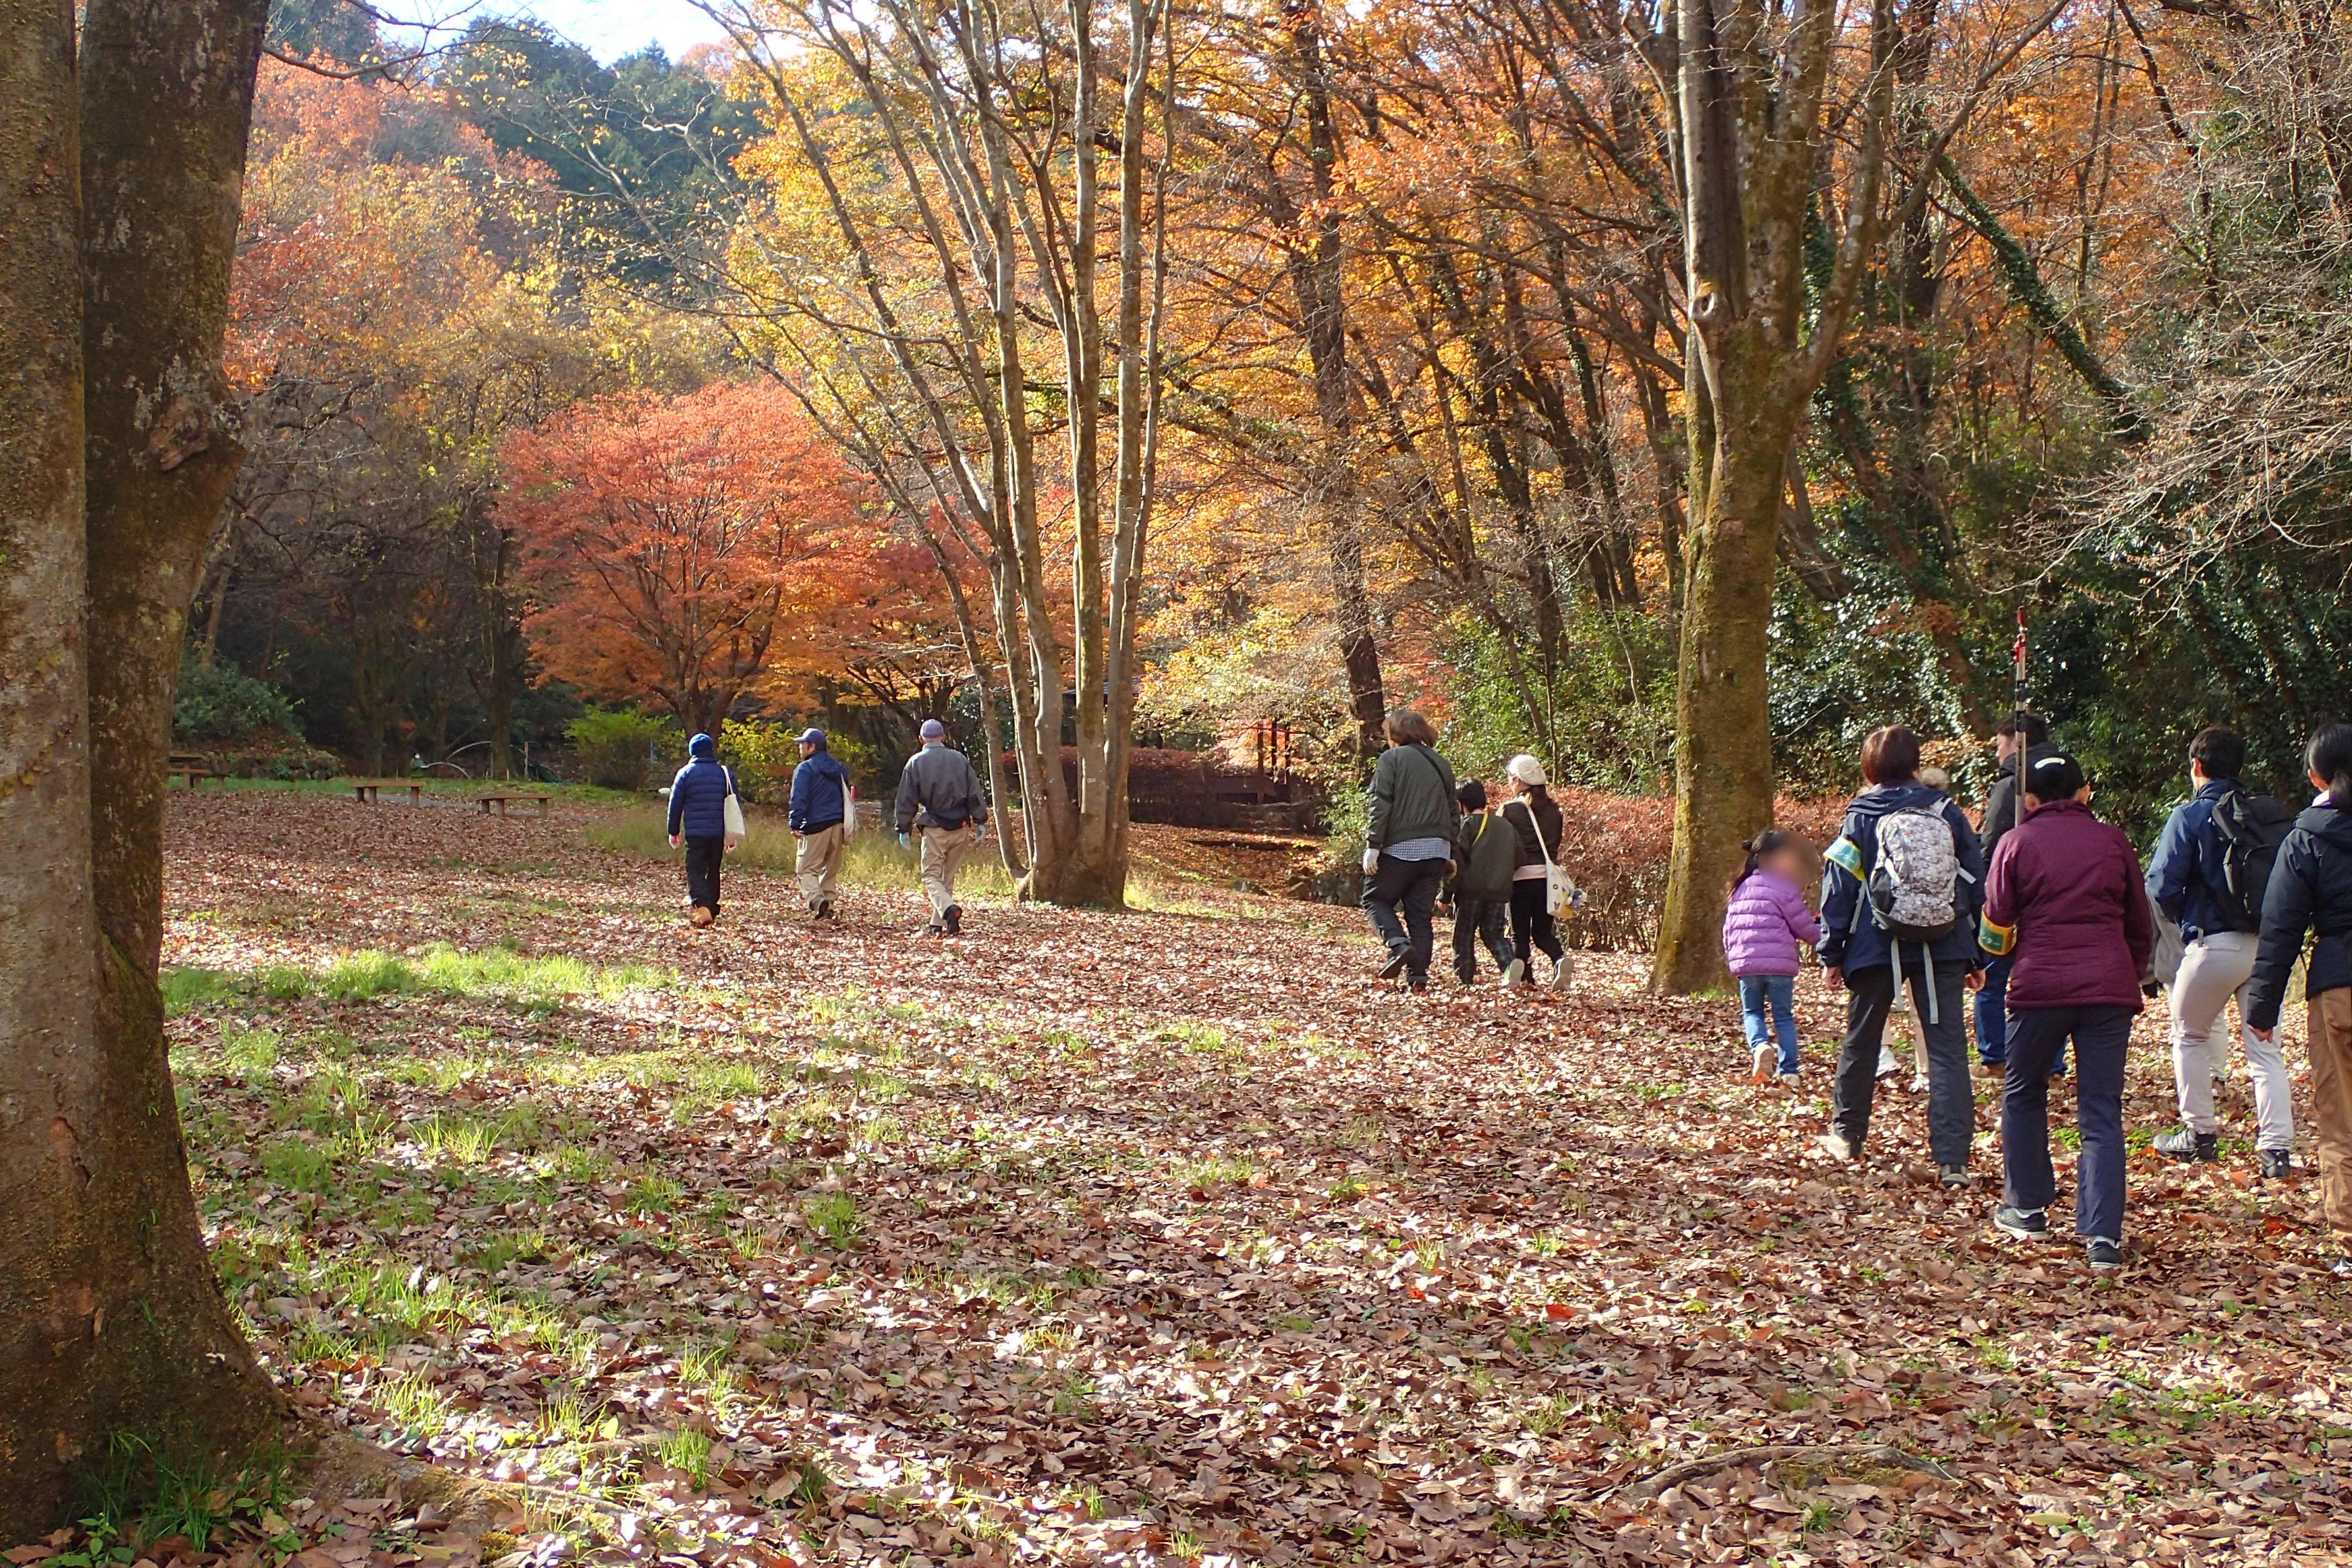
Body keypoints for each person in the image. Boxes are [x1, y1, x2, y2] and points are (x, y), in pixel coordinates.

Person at [1982, 753, 2153, 1272]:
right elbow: (2139, 922)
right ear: (2085, 793)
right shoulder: (2113, 841)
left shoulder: (2016, 844)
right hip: (2108, 989)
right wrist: (2129, 969)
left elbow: (1995, 920)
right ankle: (2104, 1236)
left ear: (2029, 801)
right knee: (2101, 1109)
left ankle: (2028, 1207)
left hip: (2039, 987)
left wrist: (1999, 963)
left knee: (2024, 1091)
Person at [1817, 724, 1986, 1185]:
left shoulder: (1860, 815)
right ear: (1916, 763)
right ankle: (1953, 1160)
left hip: (1876, 943)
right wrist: (1977, 957)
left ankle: (1847, 1136)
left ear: (1869, 767)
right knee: (1947, 1048)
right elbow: (1975, 880)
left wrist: (1832, 952)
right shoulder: (1947, 812)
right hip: (1944, 942)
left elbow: (1840, 888)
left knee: (1863, 1039)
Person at [2144, 726, 2295, 1177]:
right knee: (2265, 1048)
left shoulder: (2190, 816)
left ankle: (2200, 1135)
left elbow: (2161, 884)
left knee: (2189, 1034)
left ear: (2197, 767)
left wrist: (2186, 920)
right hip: (2267, 946)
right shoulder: (2269, 815)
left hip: (2214, 943)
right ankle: (2276, 1151)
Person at [2245, 723, 2352, 1279]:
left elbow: (2281, 926)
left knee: (2341, 1120)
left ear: (2316, 777)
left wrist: (2262, 1006)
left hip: (2339, 987)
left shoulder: (2307, 836)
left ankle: (2350, 1242)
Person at [1975, 713, 2057, 1077]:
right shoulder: (2065, 778)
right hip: (2055, 895)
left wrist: (1981, 891)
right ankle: (2052, 1065)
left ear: (2016, 742)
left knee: (1991, 978)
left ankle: (1994, 1057)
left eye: (2000, 745)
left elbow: (1992, 844)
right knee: (2049, 982)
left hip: (2009, 897)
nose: (1997, 754)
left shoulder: (2011, 787)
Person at [1359, 707, 1458, 991]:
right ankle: (1418, 979)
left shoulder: (1392, 759)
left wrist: (1373, 845)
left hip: (1401, 848)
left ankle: (1398, 945)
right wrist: (1451, 852)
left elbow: (1381, 802)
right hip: (1437, 851)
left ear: (1395, 735)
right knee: (1419, 915)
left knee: (1375, 899)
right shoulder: (1442, 764)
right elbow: (1454, 813)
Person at [1722, 829, 1822, 1084]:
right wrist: (1826, 938)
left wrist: (1734, 955)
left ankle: (1760, 1046)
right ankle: (1789, 1071)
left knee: (1752, 1012)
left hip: (1746, 963)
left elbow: (1729, 929)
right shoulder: (1783, 887)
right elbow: (1804, 927)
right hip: (1779, 965)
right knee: (1783, 1016)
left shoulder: (1739, 888)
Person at [893, 718, 990, 935]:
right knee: (947, 877)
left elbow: (906, 799)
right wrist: (980, 820)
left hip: (935, 826)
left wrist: (903, 828)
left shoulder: (915, 763)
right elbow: (974, 792)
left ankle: (948, 910)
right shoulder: (960, 759)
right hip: (961, 826)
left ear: (921, 739)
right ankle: (938, 925)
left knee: (931, 876)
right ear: (944, 737)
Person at [1500, 754, 1574, 992]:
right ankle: (1559, 959)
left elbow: (1502, 843)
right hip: (1548, 880)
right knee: (1542, 932)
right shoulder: (1555, 811)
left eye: (1511, 778)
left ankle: (1526, 979)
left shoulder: (1509, 809)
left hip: (1520, 878)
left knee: (1519, 934)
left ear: (1519, 781)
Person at [1449, 780, 1525, 988]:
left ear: (1462, 805)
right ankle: (1510, 966)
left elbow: (1457, 864)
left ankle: (1465, 980)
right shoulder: (1506, 826)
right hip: (1499, 893)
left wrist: (1446, 894)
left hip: (1470, 891)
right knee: (1494, 934)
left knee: (1464, 936)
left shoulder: (1467, 825)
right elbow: (1520, 858)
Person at [666, 732, 741, 927]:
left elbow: (675, 804)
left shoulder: (685, 773)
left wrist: (673, 830)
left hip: (696, 833)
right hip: (718, 832)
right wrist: (732, 835)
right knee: (713, 869)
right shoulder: (724, 773)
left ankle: (702, 906)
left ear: (692, 752)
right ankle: (711, 907)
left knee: (696, 870)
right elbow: (734, 805)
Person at [788, 727, 853, 921]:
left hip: (815, 825)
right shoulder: (839, 769)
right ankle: (829, 906)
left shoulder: (805, 769)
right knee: (830, 869)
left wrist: (795, 823)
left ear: (812, 747)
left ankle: (817, 901)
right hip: (838, 825)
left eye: (803, 745)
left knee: (806, 869)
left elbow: (799, 798)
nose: (800, 748)